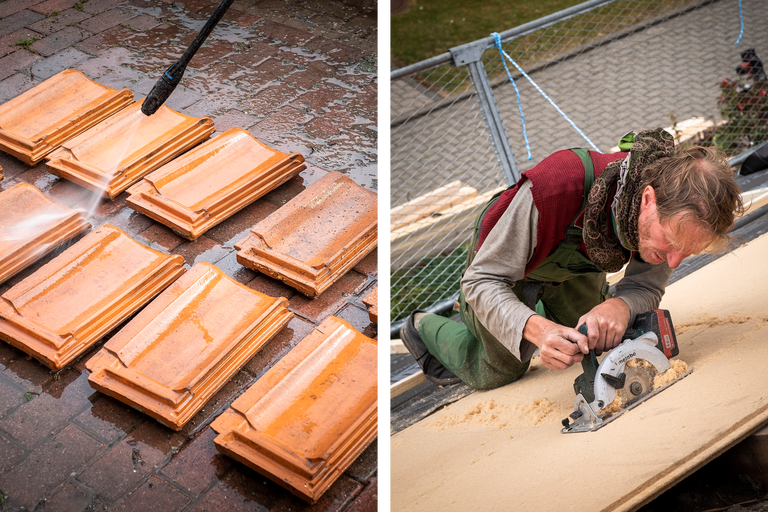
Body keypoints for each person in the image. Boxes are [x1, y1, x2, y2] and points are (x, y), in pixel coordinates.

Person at [400, 128, 744, 390]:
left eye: (687, 252)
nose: (671, 263)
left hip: (572, 268)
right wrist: (537, 330)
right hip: (501, 269)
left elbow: (644, 285)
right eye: (669, 244)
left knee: (598, 339)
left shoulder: (668, 205)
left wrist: (620, 306)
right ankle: (423, 326)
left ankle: (532, 309)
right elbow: (482, 281)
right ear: (648, 200)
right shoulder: (555, 188)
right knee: (500, 369)